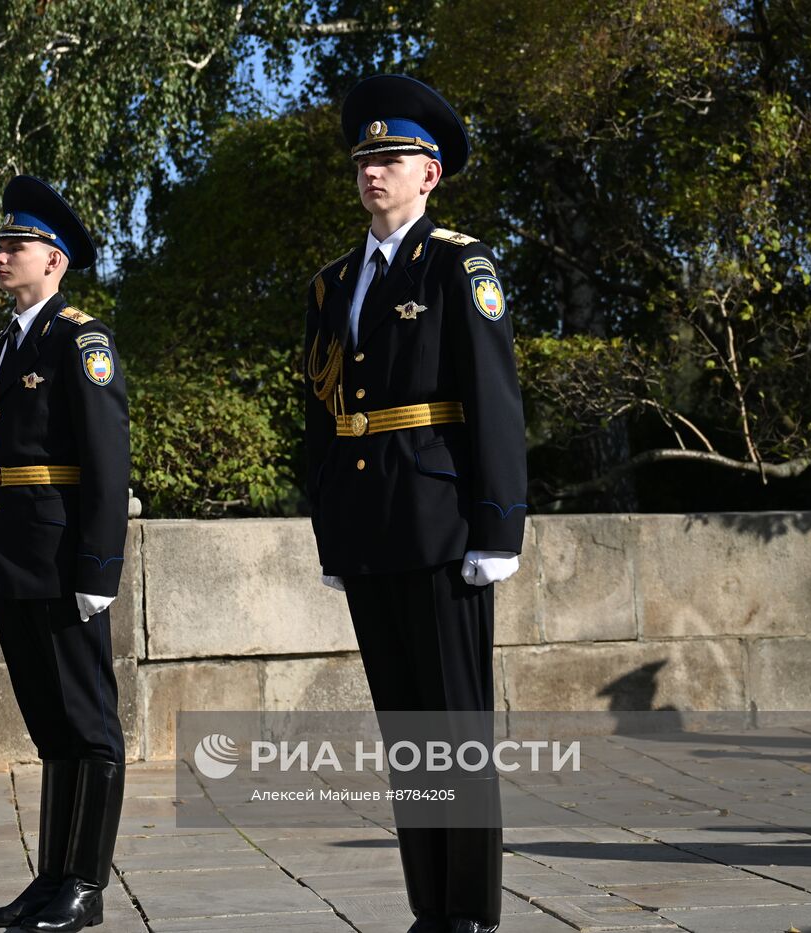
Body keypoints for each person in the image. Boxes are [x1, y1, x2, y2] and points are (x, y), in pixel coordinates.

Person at [303, 74, 528, 933]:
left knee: (453, 731)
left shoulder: (458, 264)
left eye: (390, 157)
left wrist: (498, 525)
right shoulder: (332, 284)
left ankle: (468, 912)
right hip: (367, 526)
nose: (372, 171)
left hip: (442, 525)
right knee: (406, 734)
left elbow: (494, 401)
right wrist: (330, 525)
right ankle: (428, 908)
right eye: (365, 157)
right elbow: (321, 417)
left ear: (430, 173)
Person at [0, 175, 130, 933]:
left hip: (64, 561)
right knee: (49, 729)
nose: (1, 255)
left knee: (89, 725)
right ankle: (52, 876)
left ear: (54, 260)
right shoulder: (4, 347)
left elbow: (105, 461)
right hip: (14, 561)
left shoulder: (80, 341)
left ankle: (86, 885)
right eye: (2, 244)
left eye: (16, 245)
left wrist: (100, 569)